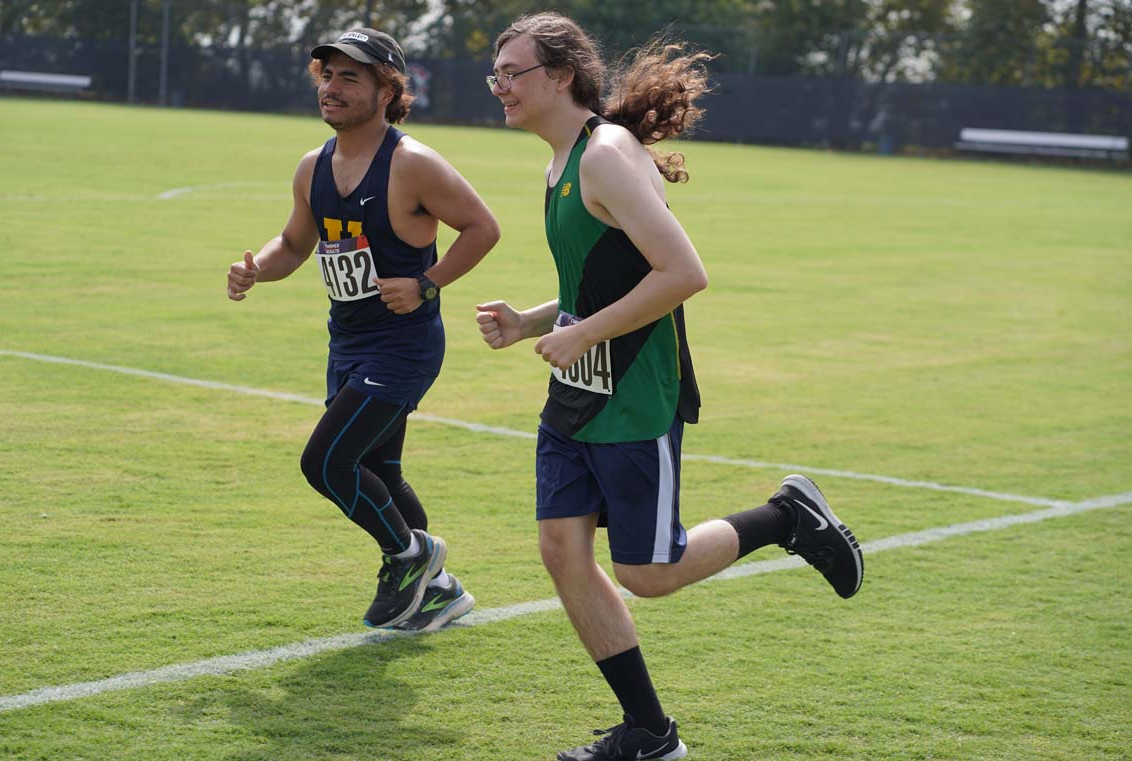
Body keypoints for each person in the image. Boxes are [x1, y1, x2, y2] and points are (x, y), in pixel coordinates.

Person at [476, 13, 863, 760]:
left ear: (560, 77)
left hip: (633, 394)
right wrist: (531, 321)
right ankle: (650, 732)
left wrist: (583, 333)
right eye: (496, 74)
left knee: (648, 572)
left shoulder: (605, 156)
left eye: (512, 73)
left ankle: (787, 516)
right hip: (578, 395)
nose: (501, 87)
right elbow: (596, 282)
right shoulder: (562, 160)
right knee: (562, 549)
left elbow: (684, 273)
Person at [228, 28, 500, 632]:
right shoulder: (313, 166)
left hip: (404, 345)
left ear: (386, 90)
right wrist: (256, 271)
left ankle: (410, 556)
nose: (332, 87)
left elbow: (482, 227)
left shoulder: (412, 164)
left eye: (350, 76)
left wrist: (428, 283)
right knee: (382, 470)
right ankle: (441, 592)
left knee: (325, 462)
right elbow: (296, 242)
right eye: (326, 75)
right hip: (347, 340)